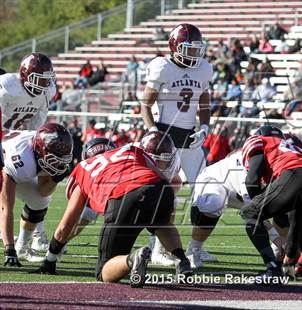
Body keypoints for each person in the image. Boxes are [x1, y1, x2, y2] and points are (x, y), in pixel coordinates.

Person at [34, 132, 192, 286]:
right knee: (160, 223)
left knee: (103, 273)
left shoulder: (83, 169)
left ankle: (133, 258)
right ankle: (183, 262)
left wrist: (50, 260)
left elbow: (65, 226)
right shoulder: (129, 149)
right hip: (160, 186)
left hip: (124, 196)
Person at [140, 23, 213, 265]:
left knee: (206, 192)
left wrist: (204, 127)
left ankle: (196, 248)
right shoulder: (163, 67)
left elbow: (204, 100)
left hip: (190, 137)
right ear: (175, 47)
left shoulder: (203, 69)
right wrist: (152, 132)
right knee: (165, 195)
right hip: (165, 138)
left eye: (196, 50)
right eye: (189, 49)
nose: (195, 55)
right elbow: (145, 105)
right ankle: (158, 248)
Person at [239, 126, 302, 282]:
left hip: (294, 177)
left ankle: (272, 269)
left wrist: (260, 208)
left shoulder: (259, 141)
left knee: (249, 213)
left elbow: (251, 182)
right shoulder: (293, 147)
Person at [0, 53, 57, 252]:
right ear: (25, 75)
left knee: (40, 198)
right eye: (38, 79)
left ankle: (35, 238)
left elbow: (34, 133)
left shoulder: (45, 94)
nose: (42, 85)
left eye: (46, 80)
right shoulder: (7, 86)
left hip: (14, 145)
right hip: (3, 143)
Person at [1, 124, 73, 266]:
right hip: (6, 162)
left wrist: (55, 179)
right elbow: (5, 208)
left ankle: (21, 247)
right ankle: (12, 247)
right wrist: (9, 250)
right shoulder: (21, 159)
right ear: (41, 149)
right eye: (55, 157)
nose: (59, 161)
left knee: (40, 200)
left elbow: (43, 191)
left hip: (16, 163)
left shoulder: (42, 150)